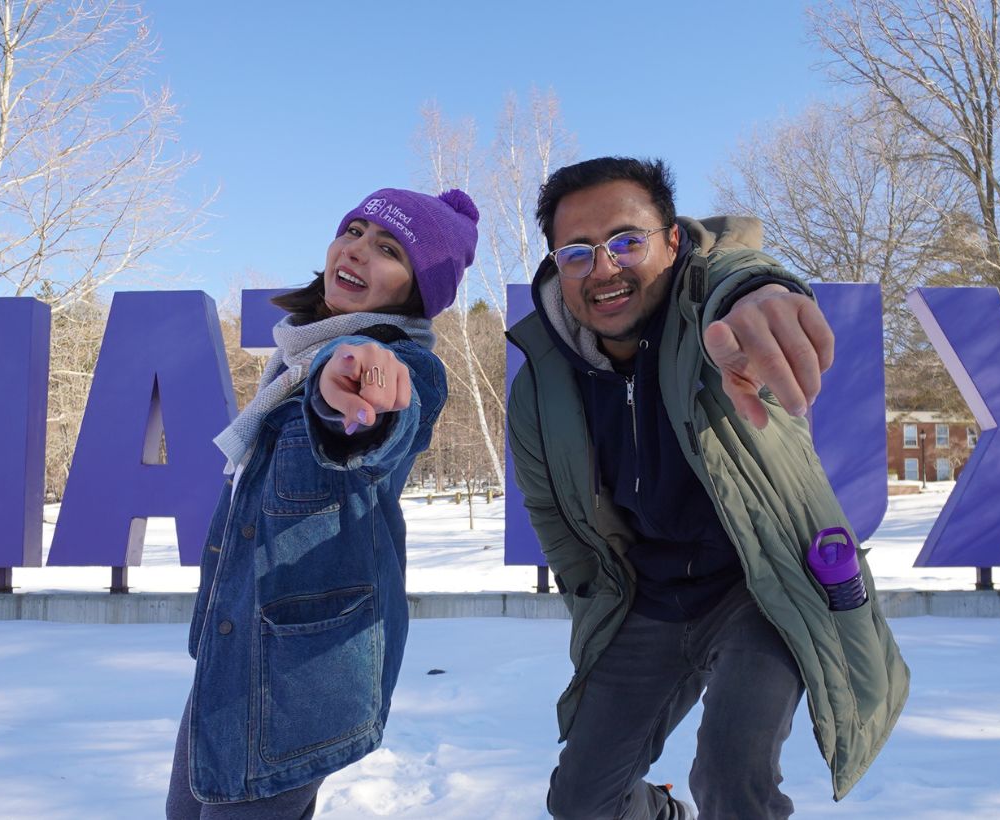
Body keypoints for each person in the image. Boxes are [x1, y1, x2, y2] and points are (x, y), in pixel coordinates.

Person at [507, 157, 910, 819]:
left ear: (672, 242)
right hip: (649, 602)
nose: (603, 269)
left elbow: (735, 278)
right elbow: (548, 507)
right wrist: (592, 592)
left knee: (731, 777)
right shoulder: (543, 383)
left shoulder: (715, 325)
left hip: (758, 587)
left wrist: (755, 294)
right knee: (581, 802)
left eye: (626, 241)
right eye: (577, 252)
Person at [168, 186, 479, 819]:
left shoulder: (401, 365)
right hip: (234, 649)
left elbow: (372, 423)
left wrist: (352, 390)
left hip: (296, 674)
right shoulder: (294, 362)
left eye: (388, 248)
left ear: (418, 289)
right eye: (355, 230)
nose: (358, 249)